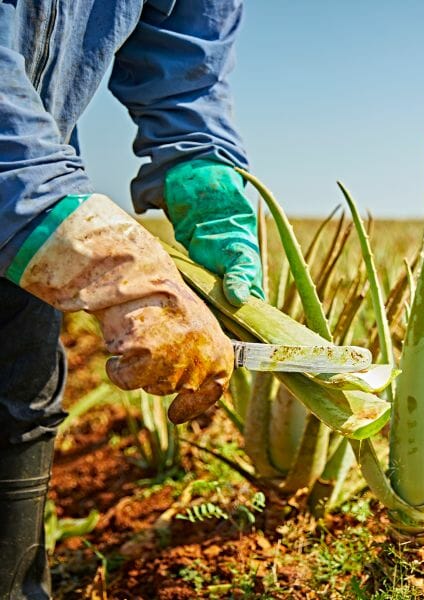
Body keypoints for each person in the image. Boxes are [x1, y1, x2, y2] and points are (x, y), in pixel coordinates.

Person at [0, 2, 262, 597]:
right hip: (26, 181)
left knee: (18, 404)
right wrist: (102, 257)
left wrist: (202, 168)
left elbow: (186, 51)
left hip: (29, 190)